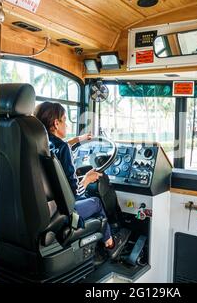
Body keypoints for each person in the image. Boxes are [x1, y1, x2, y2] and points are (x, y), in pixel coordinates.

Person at [34, 102, 130, 260]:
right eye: (65, 120)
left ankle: (100, 243)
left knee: (86, 198)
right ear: (56, 123)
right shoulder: (64, 149)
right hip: (64, 211)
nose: (67, 124)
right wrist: (87, 179)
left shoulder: (40, 145)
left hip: (46, 207)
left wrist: (79, 139)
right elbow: (73, 192)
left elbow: (59, 145)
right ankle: (111, 245)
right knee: (97, 202)